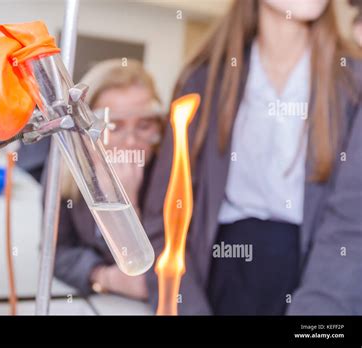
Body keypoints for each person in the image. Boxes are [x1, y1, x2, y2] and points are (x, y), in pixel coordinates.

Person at [143, 0, 362, 315]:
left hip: (318, 285)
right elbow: (164, 221)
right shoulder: (203, 80)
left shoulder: (352, 83)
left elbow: (353, 226)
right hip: (218, 283)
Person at [54, 59, 165, 300]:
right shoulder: (65, 173)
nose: (131, 142)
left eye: (144, 126)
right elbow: (55, 251)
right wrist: (103, 276)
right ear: (84, 127)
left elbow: (157, 274)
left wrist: (127, 204)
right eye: (114, 126)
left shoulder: (166, 174)